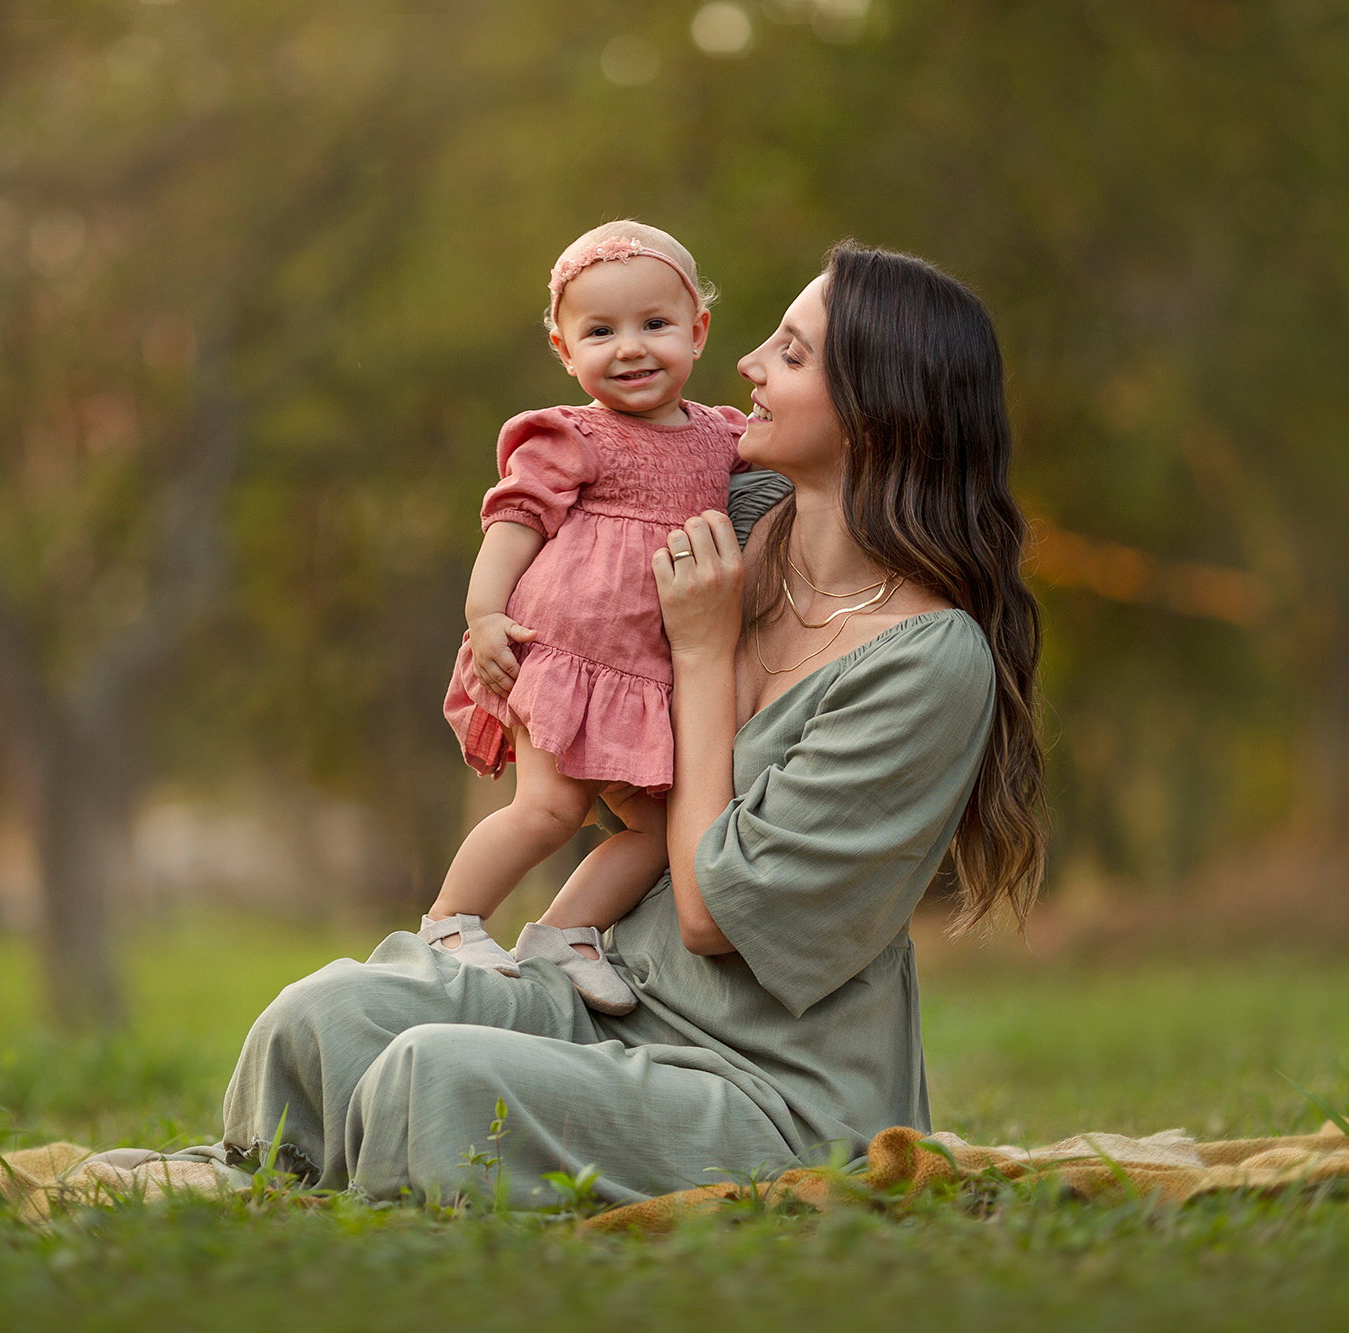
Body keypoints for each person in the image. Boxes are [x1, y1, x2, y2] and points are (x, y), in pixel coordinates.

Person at [189, 241, 1047, 1209]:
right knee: (321, 1017)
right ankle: (250, 1196)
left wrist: (698, 656)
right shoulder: (741, 526)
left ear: (879, 415)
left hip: (765, 1088)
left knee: (433, 1075)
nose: (750, 366)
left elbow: (712, 916)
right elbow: (587, 524)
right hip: (615, 1001)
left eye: (793, 354)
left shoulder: (925, 661)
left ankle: (360, 1233)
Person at [429, 220, 749, 1015]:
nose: (631, 348)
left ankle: (564, 932)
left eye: (655, 324)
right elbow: (513, 525)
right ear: (565, 350)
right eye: (601, 332)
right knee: (548, 807)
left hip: (646, 673)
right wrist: (484, 615)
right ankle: (448, 923)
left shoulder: (725, 438)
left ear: (698, 331)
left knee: (663, 829)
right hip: (563, 651)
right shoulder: (574, 436)